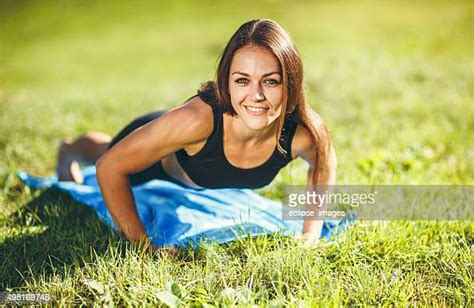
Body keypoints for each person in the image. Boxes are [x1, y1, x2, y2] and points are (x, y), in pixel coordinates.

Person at [56, 19, 337, 253]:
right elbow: (110, 167)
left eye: (271, 81)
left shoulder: (302, 133)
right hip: (164, 152)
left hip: (189, 165)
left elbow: (323, 164)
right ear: (226, 81)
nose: (257, 95)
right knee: (106, 150)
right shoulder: (195, 121)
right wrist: (145, 249)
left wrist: (310, 233)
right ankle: (70, 149)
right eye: (242, 80)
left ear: (291, 82)